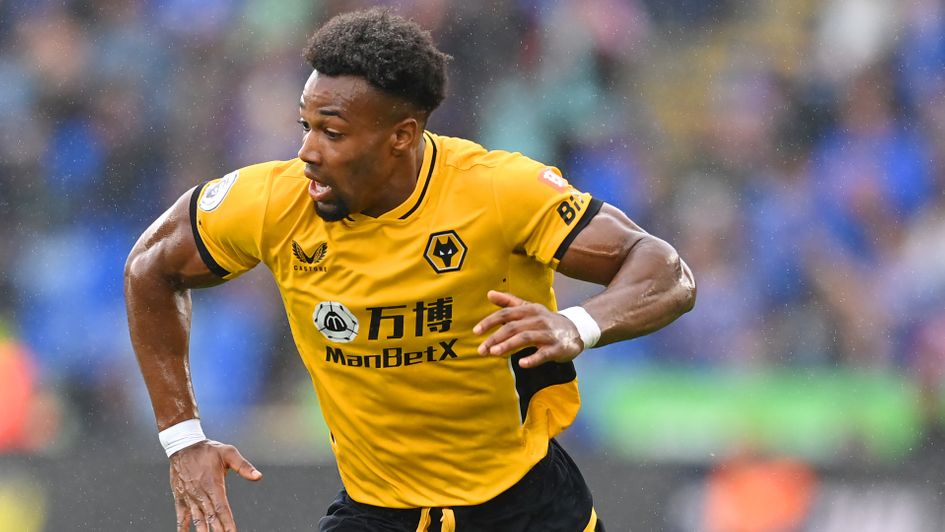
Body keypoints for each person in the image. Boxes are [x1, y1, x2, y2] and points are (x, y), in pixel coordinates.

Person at [124, 8, 695, 532]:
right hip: (377, 514)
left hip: (525, 505)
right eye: (305, 126)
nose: (307, 152)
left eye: (332, 132)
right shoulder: (274, 201)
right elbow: (150, 267)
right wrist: (183, 439)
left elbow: (665, 271)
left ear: (402, 136)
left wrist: (578, 324)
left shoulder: (498, 192)